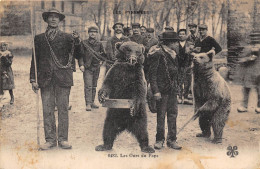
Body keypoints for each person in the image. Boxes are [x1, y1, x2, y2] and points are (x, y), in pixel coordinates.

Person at [30, 8, 80, 150]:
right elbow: (34, 60)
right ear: (46, 20)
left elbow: (78, 54)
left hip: (63, 78)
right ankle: (50, 139)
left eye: (56, 17)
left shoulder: (68, 37)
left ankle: (63, 139)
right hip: (45, 79)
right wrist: (33, 79)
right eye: (50, 17)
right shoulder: (38, 38)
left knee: (63, 109)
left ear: (59, 20)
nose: (53, 19)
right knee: (47, 109)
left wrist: (77, 42)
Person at [148, 31, 182, 150]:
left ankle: (172, 140)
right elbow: (152, 75)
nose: (178, 44)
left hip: (172, 90)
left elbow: (178, 71)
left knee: (173, 115)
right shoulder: (158, 54)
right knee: (161, 116)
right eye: (176, 42)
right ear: (169, 43)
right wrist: (155, 91)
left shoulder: (174, 54)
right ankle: (159, 140)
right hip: (161, 91)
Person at [77, 26, 106, 111]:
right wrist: (81, 65)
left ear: (97, 34)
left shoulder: (99, 44)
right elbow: (80, 55)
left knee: (94, 86)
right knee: (88, 86)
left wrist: (101, 61)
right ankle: (88, 104)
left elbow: (103, 55)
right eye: (91, 32)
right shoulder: (84, 43)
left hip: (96, 67)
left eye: (94, 32)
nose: (93, 33)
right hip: (87, 67)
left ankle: (92, 102)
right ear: (88, 33)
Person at [177, 29, 194, 105]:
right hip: (178, 65)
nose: (181, 35)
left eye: (183, 34)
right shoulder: (175, 44)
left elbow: (193, 54)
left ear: (186, 35)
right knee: (179, 81)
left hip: (187, 65)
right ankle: (179, 97)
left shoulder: (190, 44)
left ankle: (186, 97)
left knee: (187, 81)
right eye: (180, 34)